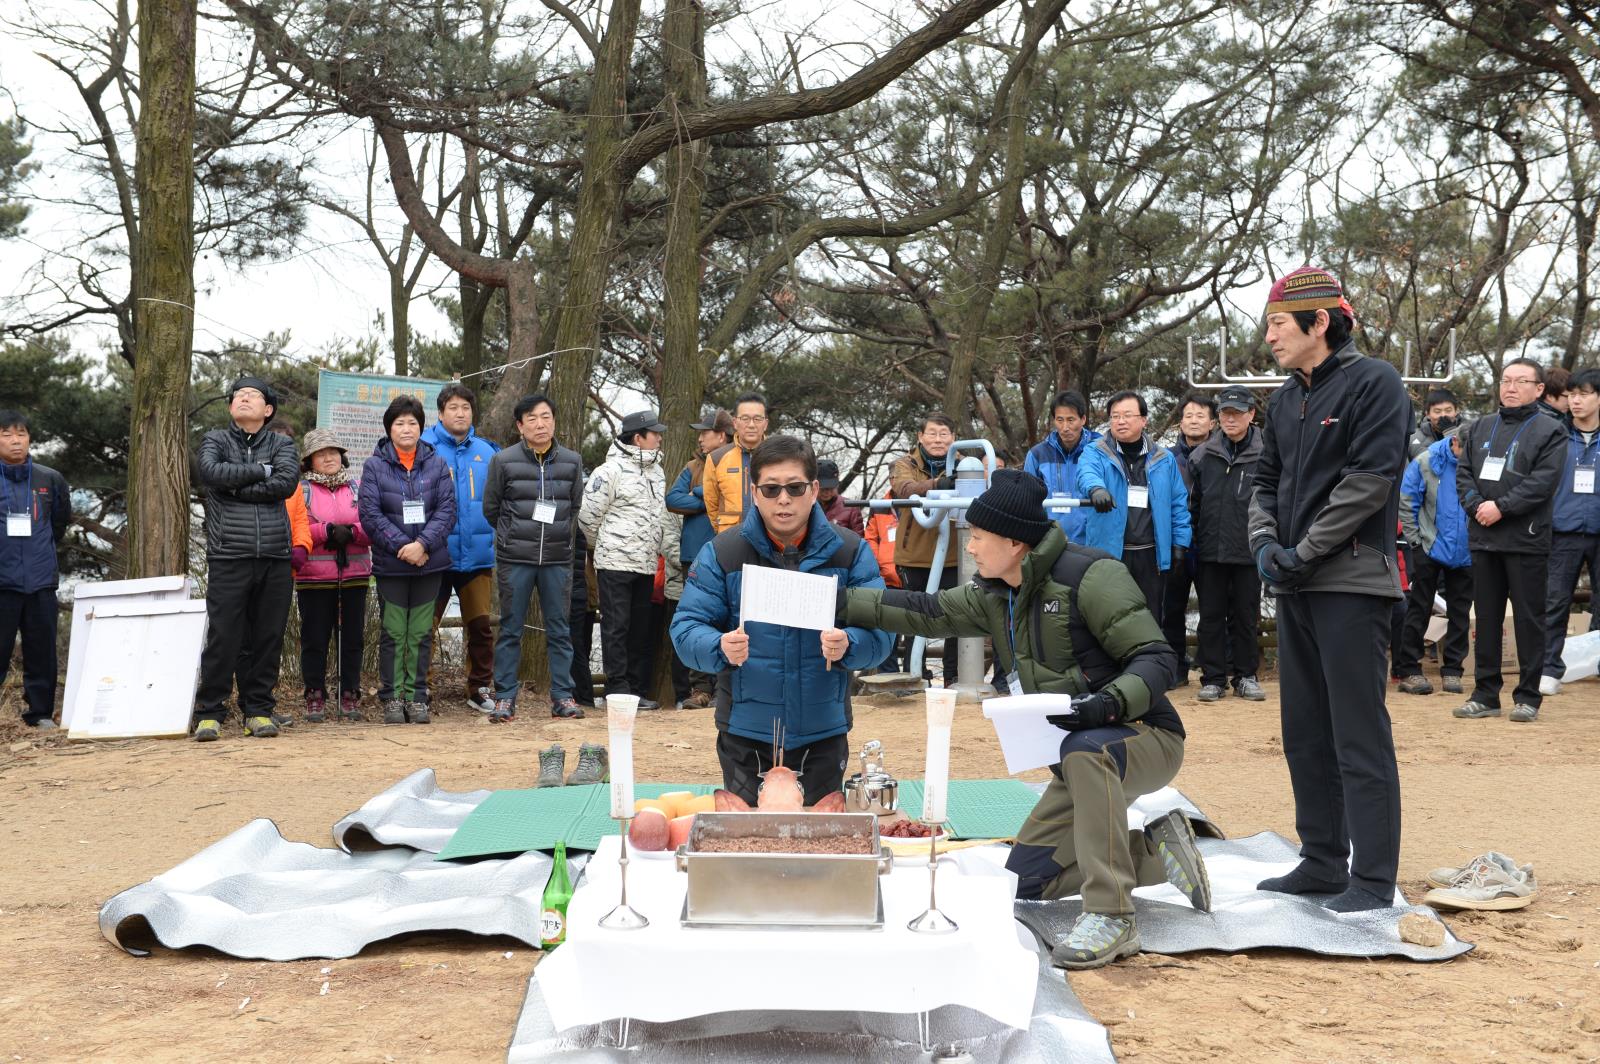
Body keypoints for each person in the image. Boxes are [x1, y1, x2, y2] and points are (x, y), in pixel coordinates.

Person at [839, 469, 1211, 969]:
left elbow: (1159, 659)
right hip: (1081, 757)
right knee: (1029, 879)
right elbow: (924, 610)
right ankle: (1153, 849)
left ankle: (1113, 915)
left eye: (979, 538)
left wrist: (1108, 703)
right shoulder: (996, 594)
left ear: (1015, 542)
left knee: (1087, 750)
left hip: (1143, 737)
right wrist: (839, 603)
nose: (970, 549)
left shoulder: (1092, 576)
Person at [1248, 266, 1409, 912]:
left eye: (1279, 324)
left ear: (1320, 323)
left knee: (1357, 734)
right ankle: (1320, 860)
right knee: (1304, 730)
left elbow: (1368, 483)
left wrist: (1305, 552)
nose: (1269, 337)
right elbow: (1264, 483)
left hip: (1351, 581)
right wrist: (1266, 548)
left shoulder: (1375, 384)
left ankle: (1371, 879)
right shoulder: (1287, 399)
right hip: (1295, 585)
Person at [671, 435, 891, 805]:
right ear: (754, 492)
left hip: (822, 732)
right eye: (771, 489)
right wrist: (718, 645)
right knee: (752, 845)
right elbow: (686, 628)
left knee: (819, 849)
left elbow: (882, 633)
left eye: (795, 487)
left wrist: (849, 644)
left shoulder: (851, 551)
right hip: (745, 734)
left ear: (814, 489)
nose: (783, 499)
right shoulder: (723, 552)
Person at [1453, 358, 1567, 722]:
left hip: (1525, 539)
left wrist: (1501, 507)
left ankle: (1529, 696)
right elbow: (1464, 473)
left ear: (1538, 389)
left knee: (1529, 619)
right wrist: (1475, 507)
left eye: (1521, 381)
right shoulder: (1480, 426)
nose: (1511, 387)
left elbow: (1542, 483)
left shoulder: (1551, 430)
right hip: (1484, 537)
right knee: (1485, 618)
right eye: (1505, 380)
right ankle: (1485, 693)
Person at [191, 376, 300, 741]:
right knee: (225, 636)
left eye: (252, 395)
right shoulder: (215, 440)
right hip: (228, 553)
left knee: (268, 637)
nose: (244, 399)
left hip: (275, 554)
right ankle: (210, 712)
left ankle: (257, 710)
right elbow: (210, 473)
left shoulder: (282, 444)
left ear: (267, 410)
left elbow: (284, 483)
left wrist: (235, 486)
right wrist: (259, 472)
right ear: (230, 407)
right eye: (238, 395)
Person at [482, 393, 585, 721]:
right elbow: (491, 508)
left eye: (545, 417)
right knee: (511, 628)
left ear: (554, 420)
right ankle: (505, 697)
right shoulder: (504, 460)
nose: (540, 424)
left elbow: (576, 506)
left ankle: (563, 696)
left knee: (559, 628)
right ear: (520, 426)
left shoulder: (572, 460)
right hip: (516, 558)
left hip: (557, 558)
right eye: (532, 419)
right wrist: (512, 536)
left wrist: (559, 539)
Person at [358, 395, 457, 725]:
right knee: (394, 632)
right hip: (393, 564)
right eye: (399, 423)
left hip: (429, 562)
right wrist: (404, 546)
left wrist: (423, 544)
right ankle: (392, 697)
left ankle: (417, 697)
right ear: (389, 428)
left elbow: (447, 510)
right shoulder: (374, 466)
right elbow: (370, 514)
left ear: (421, 427)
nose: (406, 428)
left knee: (419, 632)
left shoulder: (436, 463)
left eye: (412, 422)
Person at [579, 409, 669, 710]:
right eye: (654, 433)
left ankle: (636, 690)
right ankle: (617, 691)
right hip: (615, 562)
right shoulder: (609, 471)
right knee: (616, 628)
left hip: (645, 562)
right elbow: (588, 518)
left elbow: (660, 516)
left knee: (639, 629)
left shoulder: (658, 470)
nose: (659, 437)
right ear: (637, 437)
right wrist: (606, 545)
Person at [1077, 392, 1192, 625]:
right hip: (1110, 552)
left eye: (1128, 415)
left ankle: (1148, 661)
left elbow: (1178, 503)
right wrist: (1096, 489)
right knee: (1108, 618)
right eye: (1115, 416)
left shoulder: (1163, 458)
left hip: (1151, 555)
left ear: (1144, 420)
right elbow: (1086, 474)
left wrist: (1180, 543)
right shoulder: (1095, 451)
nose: (1120, 421)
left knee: (1149, 618)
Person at [423, 382, 500, 713]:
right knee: (424, 627)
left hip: (479, 554)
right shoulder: (424, 447)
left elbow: (500, 501)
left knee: (481, 627)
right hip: (434, 555)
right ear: (440, 413)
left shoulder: (488, 451)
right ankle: (418, 687)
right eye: (453, 407)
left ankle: (480, 687)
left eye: (466, 408)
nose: (460, 413)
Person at [1187, 386, 1264, 702]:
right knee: (1211, 616)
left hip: (1250, 549)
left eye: (1237, 412)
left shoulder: (1269, 451)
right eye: (1225, 413)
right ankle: (1214, 678)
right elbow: (1192, 504)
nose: (1230, 418)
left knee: (1246, 616)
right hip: (1210, 549)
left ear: (1251, 414)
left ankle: (1246, 676)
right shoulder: (1203, 454)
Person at [293, 428, 372, 722]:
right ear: (309, 460)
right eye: (321, 453)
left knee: (352, 637)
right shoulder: (301, 491)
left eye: (333, 452)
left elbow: (373, 524)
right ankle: (315, 693)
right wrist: (324, 531)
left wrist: (352, 532)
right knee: (314, 637)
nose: (328, 458)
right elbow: (296, 527)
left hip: (354, 574)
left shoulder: (359, 488)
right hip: (313, 576)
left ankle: (350, 692)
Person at [0, 411, 71, 731]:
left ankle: (40, 712)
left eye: (21, 434)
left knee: (42, 649)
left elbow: (59, 522)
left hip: (41, 578)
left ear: (29, 438)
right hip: (3, 580)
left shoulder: (49, 478)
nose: (15, 440)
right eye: (6, 434)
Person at [1394, 428, 1472, 696]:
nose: (1470, 456)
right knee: (1419, 608)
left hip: (1466, 549)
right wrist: (1416, 541)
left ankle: (1453, 669)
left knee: (1460, 612)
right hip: (1429, 545)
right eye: (1466, 449)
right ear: (1454, 443)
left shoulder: (1476, 462)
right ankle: (1409, 669)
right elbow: (1406, 500)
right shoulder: (1426, 461)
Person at [664, 408, 732, 708]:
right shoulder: (693, 465)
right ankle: (700, 689)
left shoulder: (739, 463)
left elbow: (742, 499)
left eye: (706, 431)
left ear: (722, 435)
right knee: (698, 620)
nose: (701, 437)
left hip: (730, 552)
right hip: (696, 555)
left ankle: (724, 688)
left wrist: (701, 494)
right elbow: (673, 499)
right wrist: (709, 494)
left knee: (729, 620)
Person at [1540, 368, 1600, 696]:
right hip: (1562, 530)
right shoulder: (1556, 436)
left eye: (1584, 393)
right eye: (1571, 394)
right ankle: (1549, 668)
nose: (1575, 400)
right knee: (1555, 601)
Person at [892, 413, 960, 677]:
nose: (938, 439)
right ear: (920, 437)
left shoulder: (964, 464)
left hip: (954, 557)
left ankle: (954, 678)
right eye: (932, 433)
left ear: (954, 438)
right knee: (914, 620)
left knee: (956, 619)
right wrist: (936, 485)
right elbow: (903, 487)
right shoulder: (905, 463)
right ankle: (914, 677)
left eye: (944, 434)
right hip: (914, 556)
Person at [1163, 392, 1216, 680]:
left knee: (1213, 607)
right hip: (1175, 541)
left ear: (1212, 423)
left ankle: (1214, 670)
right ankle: (1175, 669)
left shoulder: (1221, 454)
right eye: (1189, 416)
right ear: (1180, 423)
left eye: (1201, 415)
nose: (1194, 421)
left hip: (1210, 540)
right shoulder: (1165, 458)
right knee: (1171, 607)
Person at [702, 392, 769, 534]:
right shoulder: (716, 458)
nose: (751, 425)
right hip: (731, 536)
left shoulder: (779, 456)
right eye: (745, 418)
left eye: (757, 419)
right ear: (735, 423)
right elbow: (711, 504)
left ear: (766, 423)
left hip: (770, 535)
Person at [862, 489, 904, 673]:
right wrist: (877, 565)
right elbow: (870, 537)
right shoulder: (879, 506)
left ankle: (917, 670)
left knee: (917, 630)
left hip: (915, 576)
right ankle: (888, 673)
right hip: (886, 578)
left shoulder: (920, 503)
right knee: (887, 628)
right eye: (893, 476)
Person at [1408, 387, 1462, 459]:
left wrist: (1450, 432)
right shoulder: (1413, 438)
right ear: (1428, 414)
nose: (1443, 415)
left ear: (1456, 411)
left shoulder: (1468, 433)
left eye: (1448, 410)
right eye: (1437, 411)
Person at [817, 460, 865, 535]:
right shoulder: (806, 507)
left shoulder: (851, 508)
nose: (827, 492)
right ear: (815, 485)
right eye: (823, 488)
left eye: (831, 487)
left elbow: (859, 542)